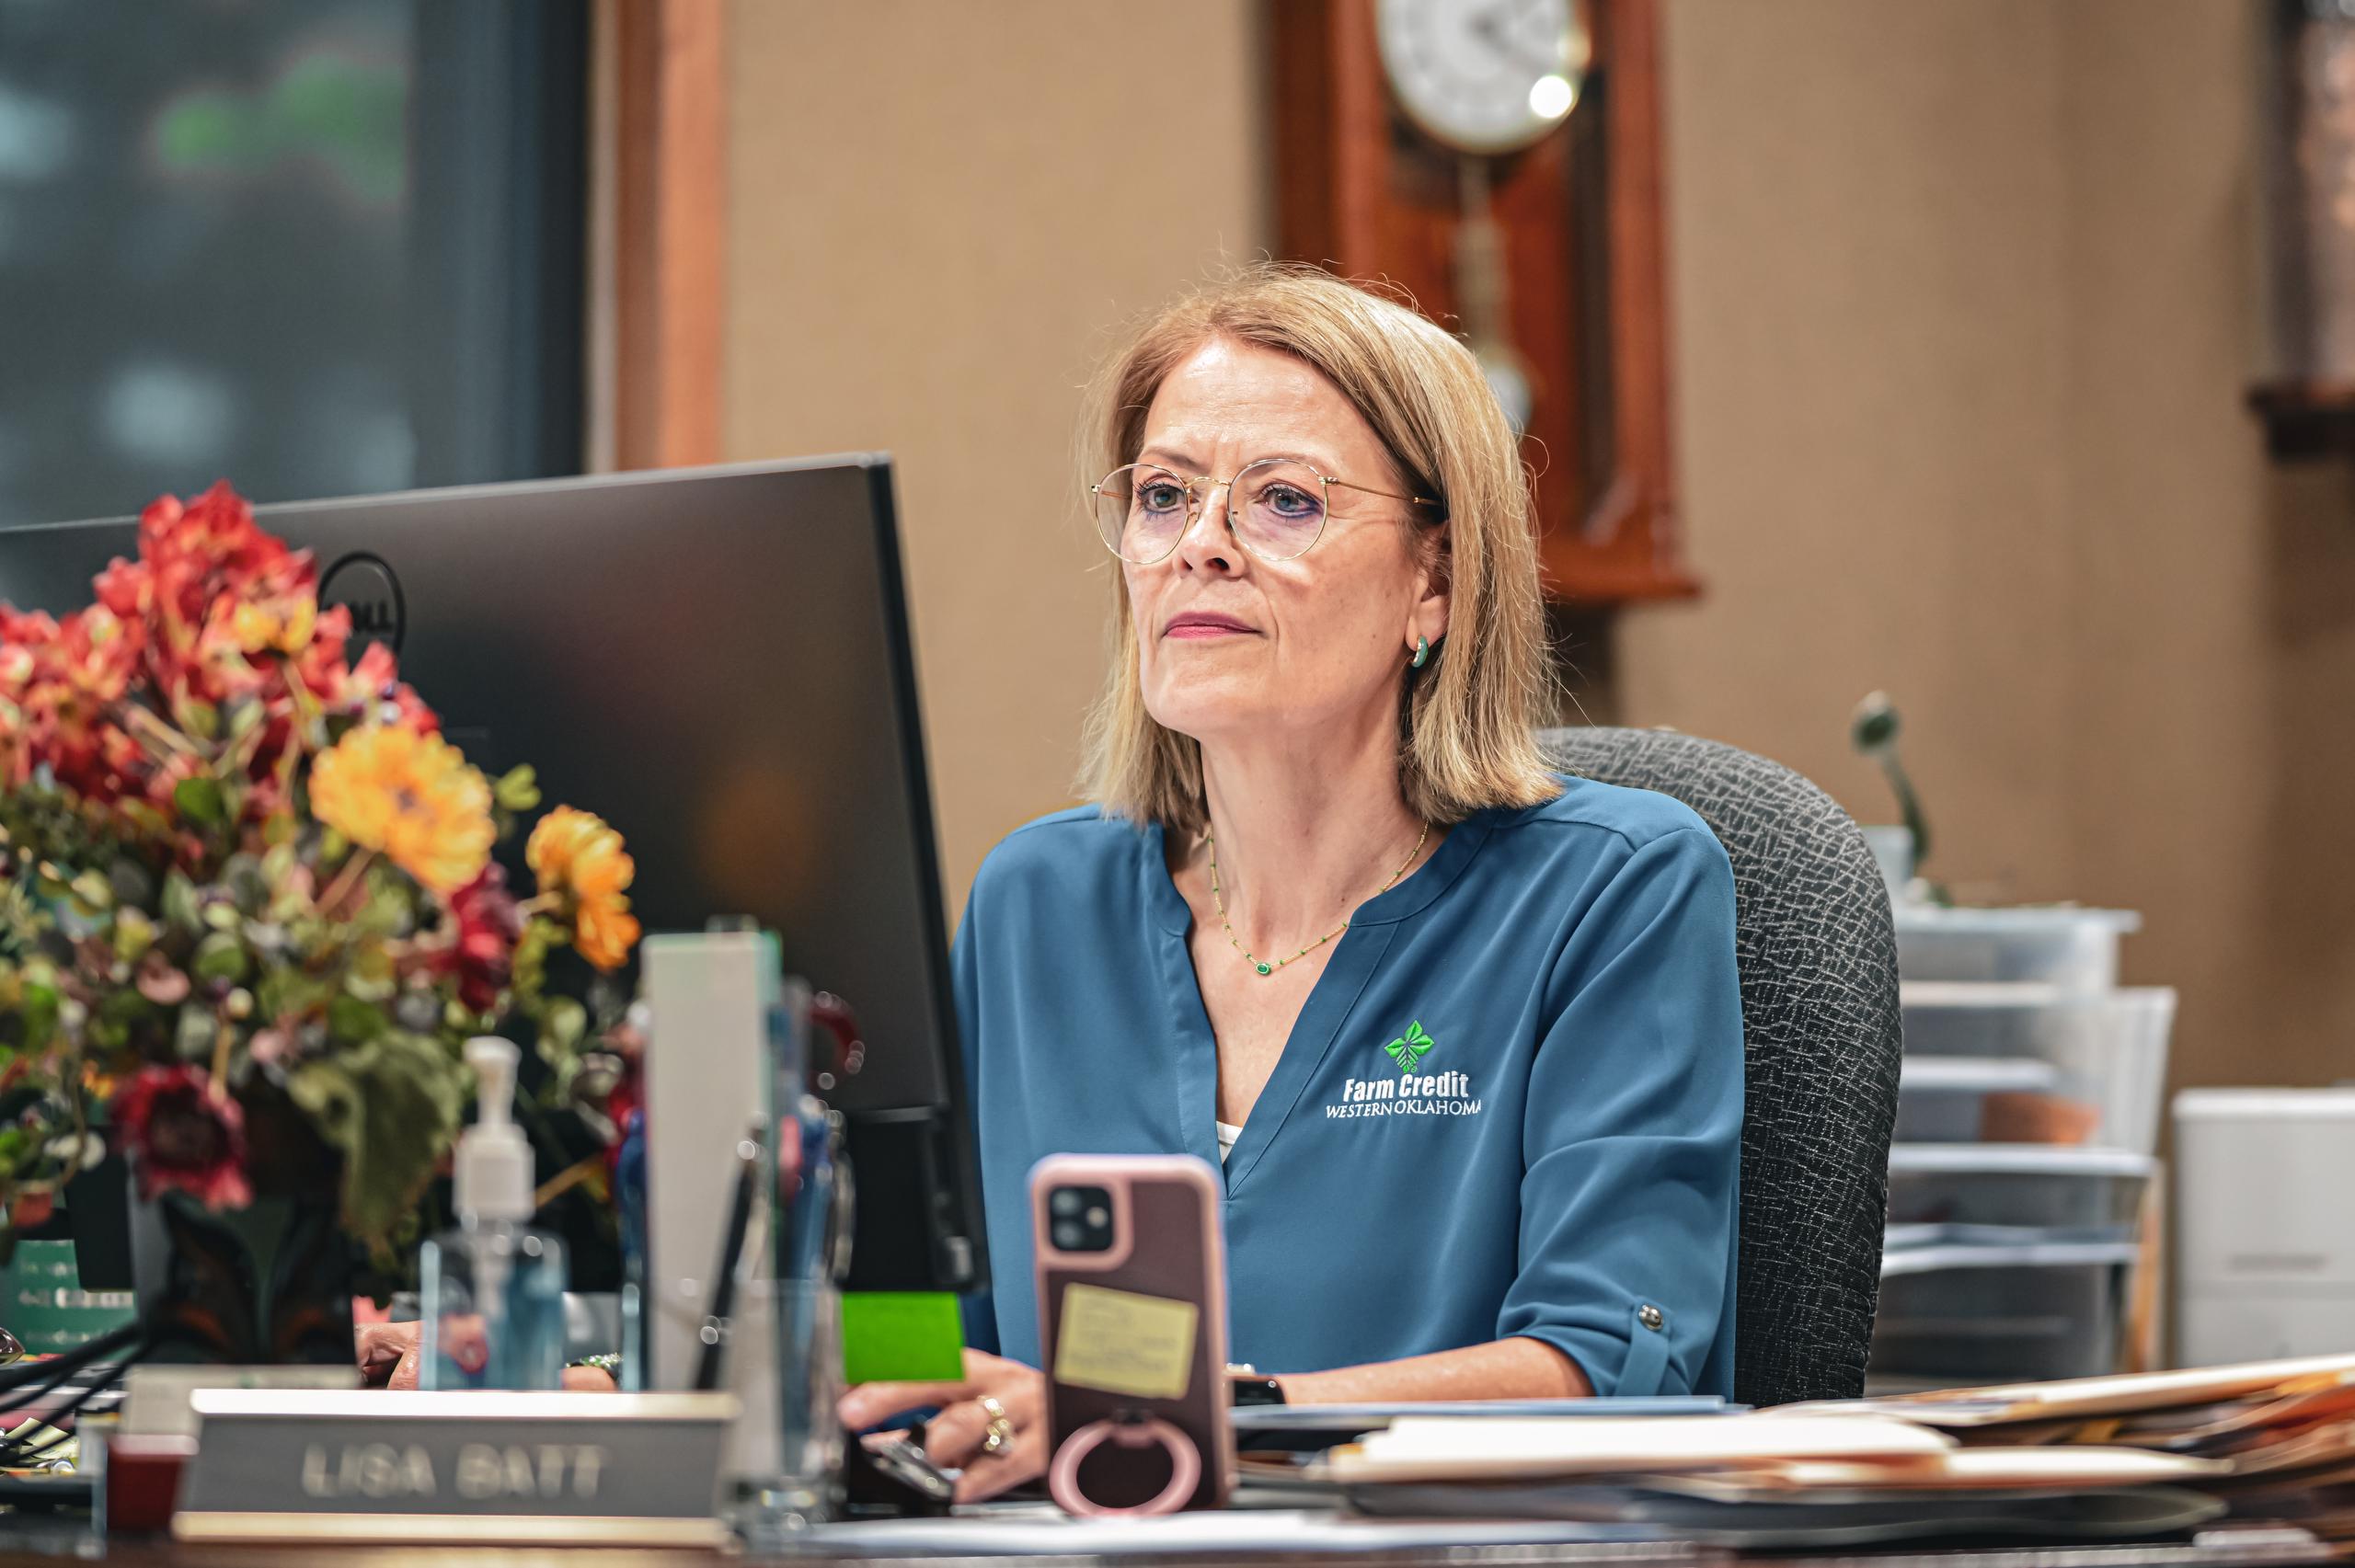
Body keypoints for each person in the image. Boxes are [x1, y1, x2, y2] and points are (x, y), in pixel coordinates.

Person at [840, 265, 1744, 1501]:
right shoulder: (1035, 901)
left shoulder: (1615, 890)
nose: (1198, 547)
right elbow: (920, 1307)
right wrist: (762, 1376)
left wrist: (1193, 1414)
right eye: (1164, 496)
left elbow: (1612, 1365)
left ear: (1434, 578)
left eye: (1283, 501)